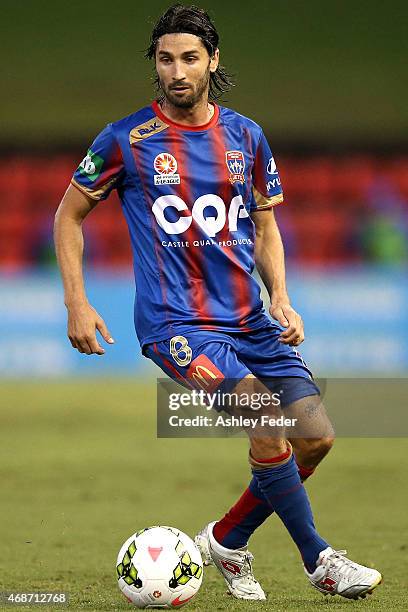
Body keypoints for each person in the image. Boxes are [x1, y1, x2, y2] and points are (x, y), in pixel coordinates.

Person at [54, 4, 382, 602]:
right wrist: (77, 302)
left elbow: (263, 225)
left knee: (315, 437)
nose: (176, 71)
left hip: (250, 321)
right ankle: (321, 562)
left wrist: (281, 295)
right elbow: (68, 215)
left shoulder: (246, 136)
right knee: (264, 418)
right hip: (177, 325)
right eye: (164, 59)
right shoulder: (127, 138)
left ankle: (227, 539)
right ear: (155, 65)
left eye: (188, 58)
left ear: (213, 61)